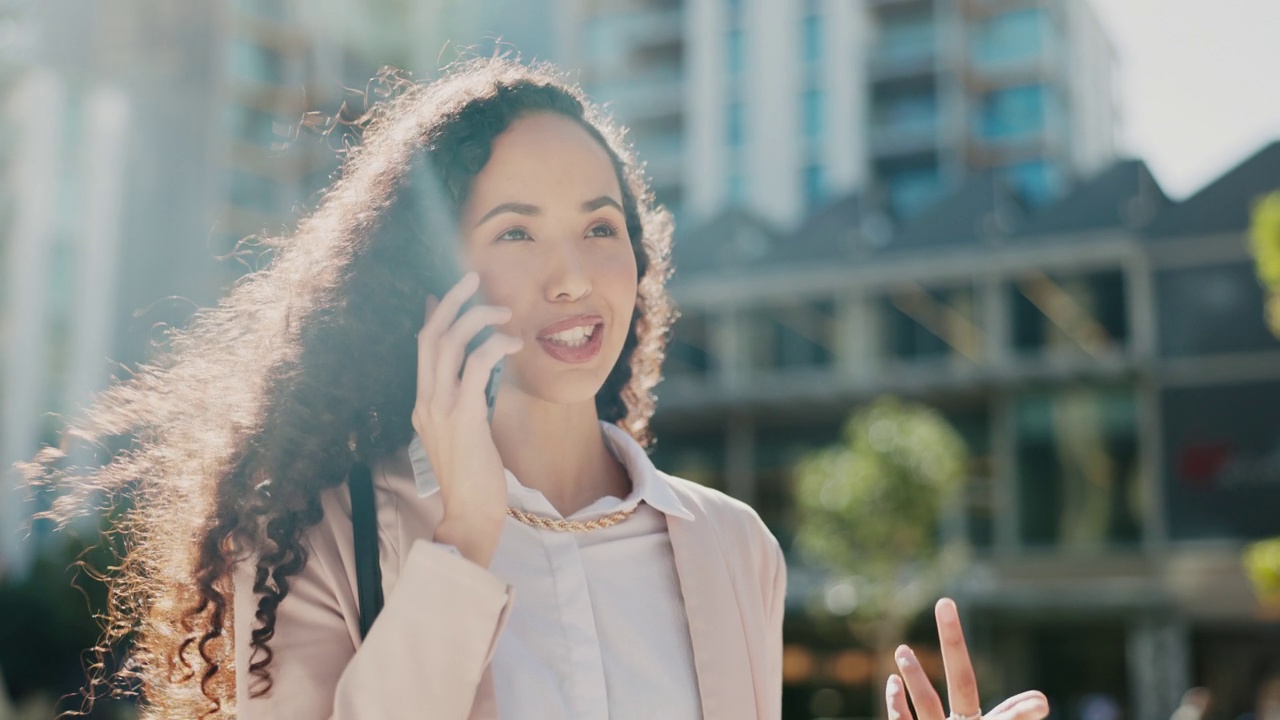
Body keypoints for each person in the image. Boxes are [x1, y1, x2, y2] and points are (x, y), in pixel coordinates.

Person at [26, 57, 1049, 720]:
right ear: (431, 278)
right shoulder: (317, 534)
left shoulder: (730, 547)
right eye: (514, 231)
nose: (572, 274)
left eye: (601, 227)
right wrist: (464, 536)